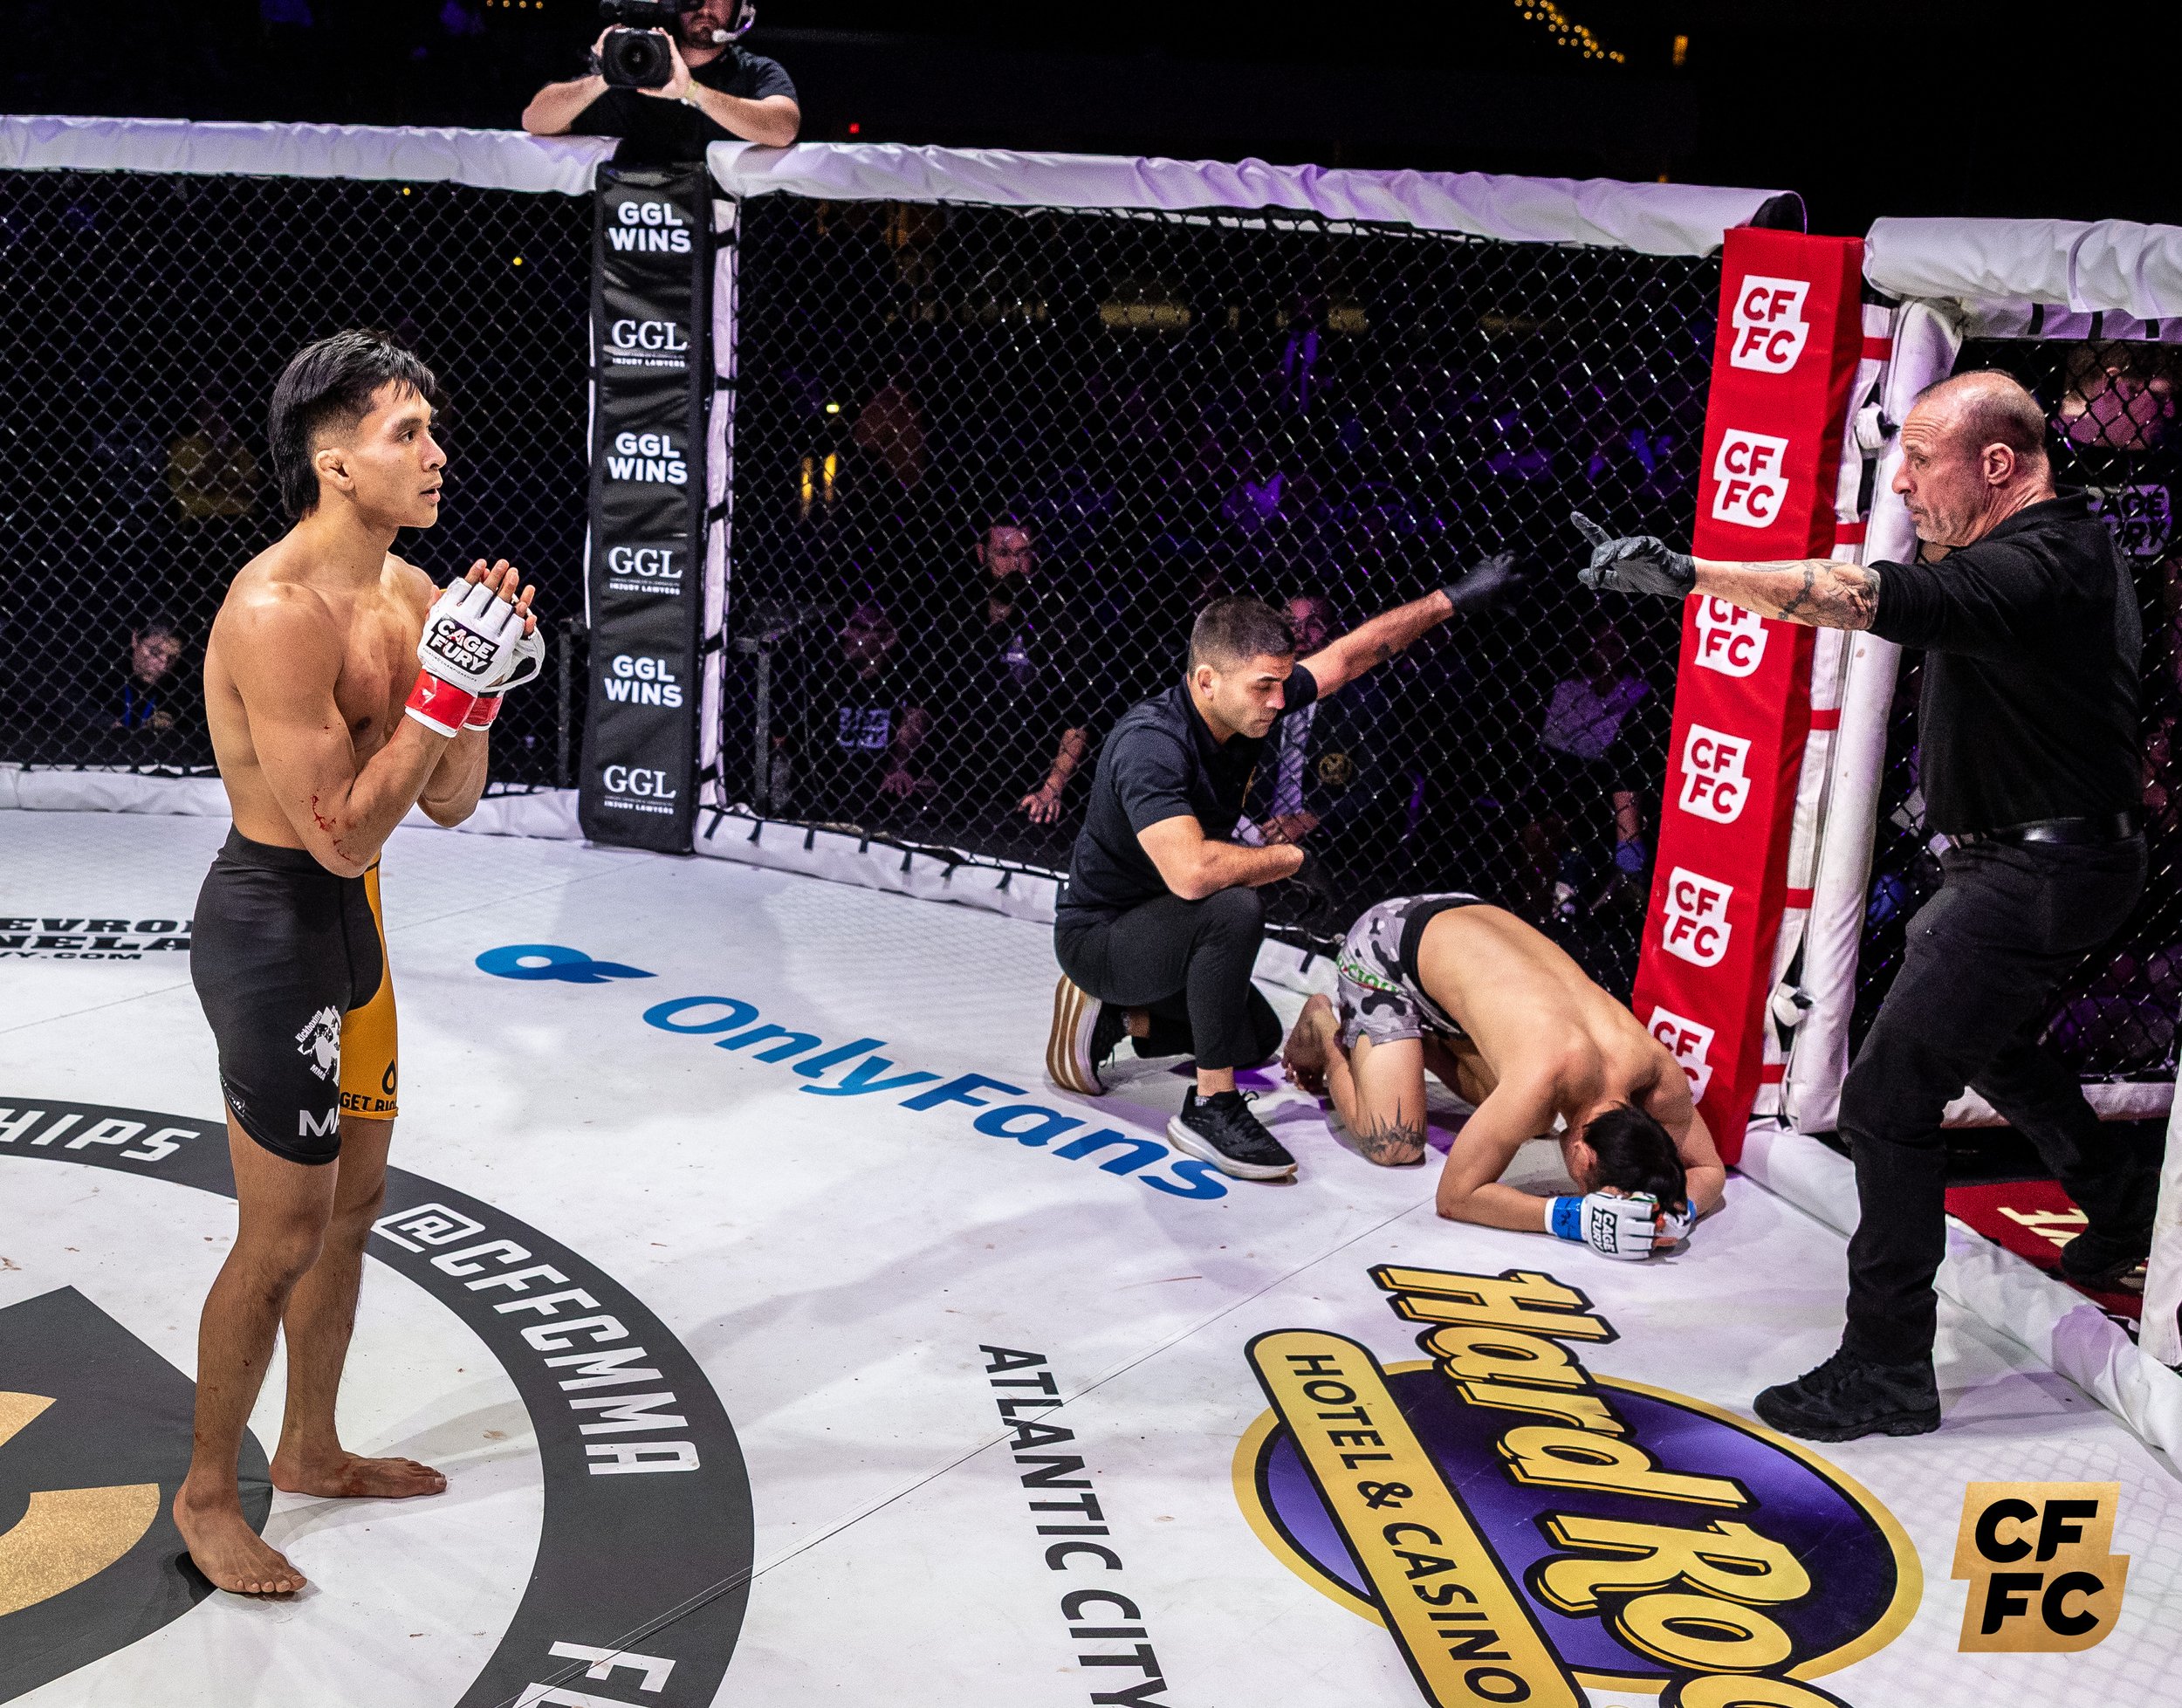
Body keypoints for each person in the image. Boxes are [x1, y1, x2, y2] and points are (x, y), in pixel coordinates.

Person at [1573, 368, 2158, 1440]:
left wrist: (1696, 575)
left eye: (1920, 460)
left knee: (1886, 1101)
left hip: (2036, 871)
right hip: (2046, 860)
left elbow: (1869, 597)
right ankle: (2120, 1203)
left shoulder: (2033, 564)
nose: (1901, 482)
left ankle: (1887, 1366)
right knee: (1985, 1042)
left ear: (1997, 463)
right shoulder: (2056, 538)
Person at [177, 331, 543, 1594]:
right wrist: (440, 699)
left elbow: (449, 800)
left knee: (354, 1207)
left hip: (355, 928)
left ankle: (313, 1445)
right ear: (335, 463)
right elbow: (335, 835)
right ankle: (205, 1494)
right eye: (407, 433)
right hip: (274, 926)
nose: (436, 453)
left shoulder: (415, 593)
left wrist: (475, 696)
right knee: (281, 1232)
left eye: (433, 429)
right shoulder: (275, 612)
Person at [1045, 556, 1515, 1181]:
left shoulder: (1244, 701)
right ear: (1206, 681)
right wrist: (1293, 858)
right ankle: (1210, 1106)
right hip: (1103, 935)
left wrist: (1450, 599)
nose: (1278, 701)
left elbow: (1351, 655)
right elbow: (1191, 872)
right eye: (1264, 687)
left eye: (1282, 684)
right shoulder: (1151, 744)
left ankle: (1116, 1017)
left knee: (1254, 1036)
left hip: (1166, 927)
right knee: (1234, 906)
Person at [1281, 894, 1726, 1255]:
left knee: (1520, 1116)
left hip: (1468, 931)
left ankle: (1415, 1045)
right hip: (1391, 945)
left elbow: (1708, 1168)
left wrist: (1677, 1211)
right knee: (1395, 1143)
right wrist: (1574, 1218)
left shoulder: (1655, 1069)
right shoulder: (1543, 1080)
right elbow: (1455, 1197)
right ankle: (1325, 1033)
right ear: (1584, 1158)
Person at [937, 518, 1099, 831]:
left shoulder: (1058, 624)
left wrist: (1052, 787)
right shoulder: (959, 617)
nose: (1014, 564)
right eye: (1003, 553)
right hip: (960, 784)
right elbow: (927, 699)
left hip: (1028, 787)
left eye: (1023, 553)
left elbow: (1079, 717)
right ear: (982, 554)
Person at [519, 0, 799, 162]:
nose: (705, 7)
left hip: (720, 235)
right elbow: (535, 120)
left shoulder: (753, 71)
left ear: (740, 7)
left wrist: (692, 92)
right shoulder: (632, 68)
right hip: (630, 237)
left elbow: (784, 128)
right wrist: (605, 75)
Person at [1231, 594, 1389, 851]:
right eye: (1291, 624)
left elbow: (1373, 791)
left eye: (1313, 625)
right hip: (1250, 830)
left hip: (1328, 845)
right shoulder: (1257, 687)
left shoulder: (1362, 702)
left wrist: (1313, 820)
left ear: (1334, 633)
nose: (1300, 634)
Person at [786, 597, 936, 823]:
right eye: (849, 625)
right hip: (834, 785)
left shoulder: (904, 677)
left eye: (859, 627)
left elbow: (915, 720)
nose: (846, 633)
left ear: (888, 638)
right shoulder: (831, 677)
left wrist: (899, 763)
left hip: (880, 785)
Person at [115, 615, 190, 732]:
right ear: (135, 639)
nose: (163, 667)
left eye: (172, 658)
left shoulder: (183, 683)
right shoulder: (108, 668)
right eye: (155, 652)